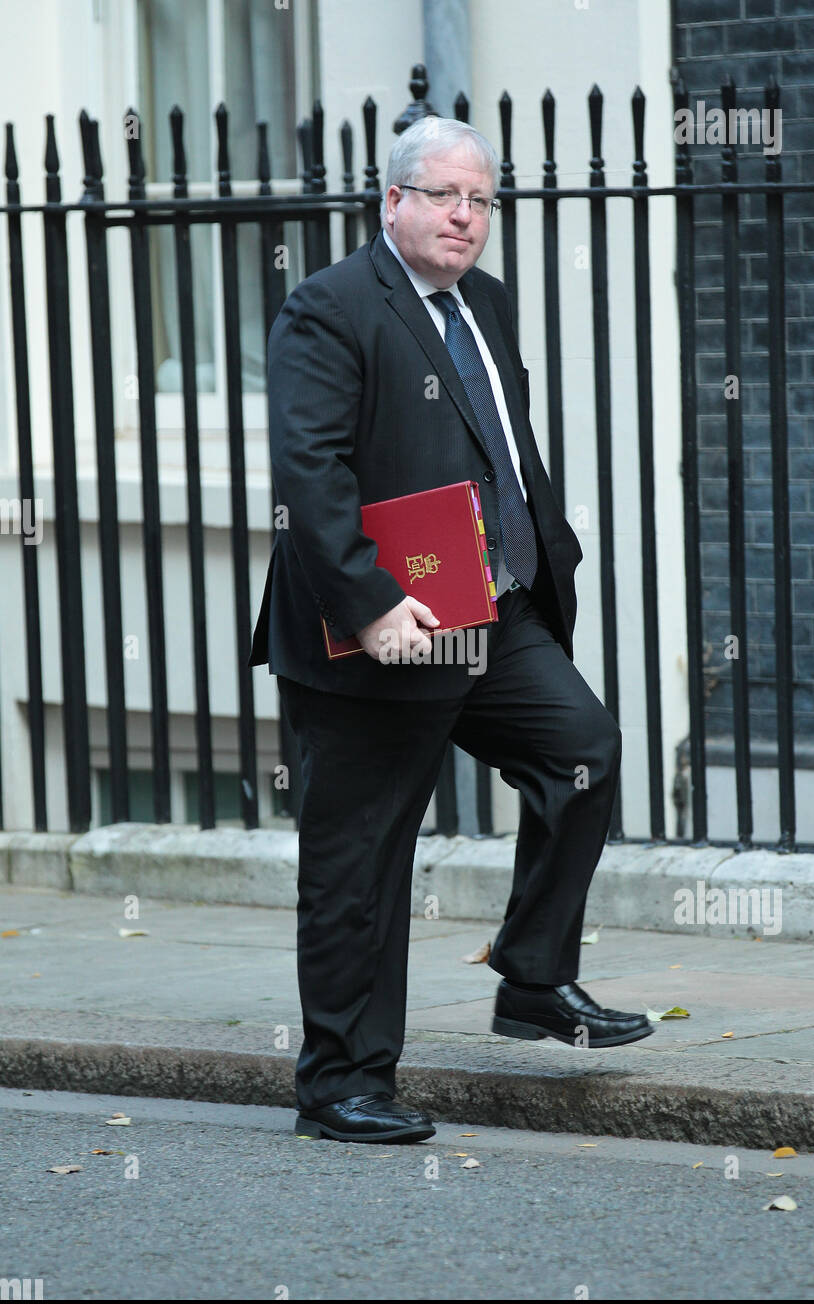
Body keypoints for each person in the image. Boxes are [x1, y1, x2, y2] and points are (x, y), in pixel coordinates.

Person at [249, 116, 653, 1145]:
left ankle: (529, 978)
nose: (463, 216)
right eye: (441, 196)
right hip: (375, 631)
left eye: (478, 199)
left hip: (490, 612)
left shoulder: (485, 301)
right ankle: (340, 1083)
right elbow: (310, 475)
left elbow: (494, 446)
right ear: (391, 202)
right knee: (361, 864)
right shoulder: (328, 308)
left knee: (581, 756)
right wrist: (372, 602)